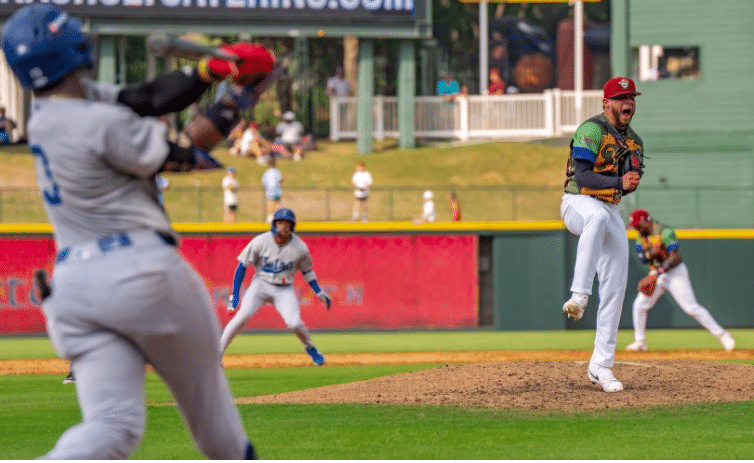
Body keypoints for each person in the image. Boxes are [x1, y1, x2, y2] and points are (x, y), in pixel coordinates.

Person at [1, 4, 276, 458]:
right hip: (141, 273)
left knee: (110, 428)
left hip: (74, 290)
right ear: (72, 46)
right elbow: (186, 154)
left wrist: (208, 70)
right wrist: (238, 99)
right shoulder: (96, 119)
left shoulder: (49, 117)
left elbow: (147, 98)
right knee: (219, 434)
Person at [560, 77, 644, 393]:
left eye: (632, 97)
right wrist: (622, 182)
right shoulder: (591, 130)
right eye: (622, 97)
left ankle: (601, 365)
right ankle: (580, 295)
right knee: (594, 216)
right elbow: (581, 176)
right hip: (577, 202)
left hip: (610, 209)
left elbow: (630, 176)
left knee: (616, 283)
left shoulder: (635, 141)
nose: (629, 102)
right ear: (606, 103)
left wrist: (630, 179)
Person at [222, 208, 331, 365]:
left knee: (294, 323)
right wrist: (235, 296)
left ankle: (311, 348)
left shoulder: (299, 247)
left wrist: (319, 292)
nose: (283, 227)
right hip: (260, 284)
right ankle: (217, 354)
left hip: (284, 288)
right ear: (274, 224)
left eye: (287, 224)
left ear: (292, 227)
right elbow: (241, 267)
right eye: (280, 222)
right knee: (241, 317)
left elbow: (307, 271)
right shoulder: (261, 241)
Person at [626, 209, 736, 352]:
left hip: (675, 273)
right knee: (639, 304)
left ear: (645, 221)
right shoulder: (640, 237)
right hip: (656, 273)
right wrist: (654, 253)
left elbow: (675, 257)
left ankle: (723, 335)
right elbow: (642, 258)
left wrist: (658, 269)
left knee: (691, 308)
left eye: (637, 225)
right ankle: (640, 342)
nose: (635, 228)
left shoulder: (664, 231)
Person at [262, 157, 283, 224]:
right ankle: (276, 218)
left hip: (269, 190)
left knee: (271, 203)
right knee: (277, 204)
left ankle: (269, 218)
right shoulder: (276, 171)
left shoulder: (267, 172)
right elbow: (279, 180)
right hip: (276, 190)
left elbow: (264, 181)